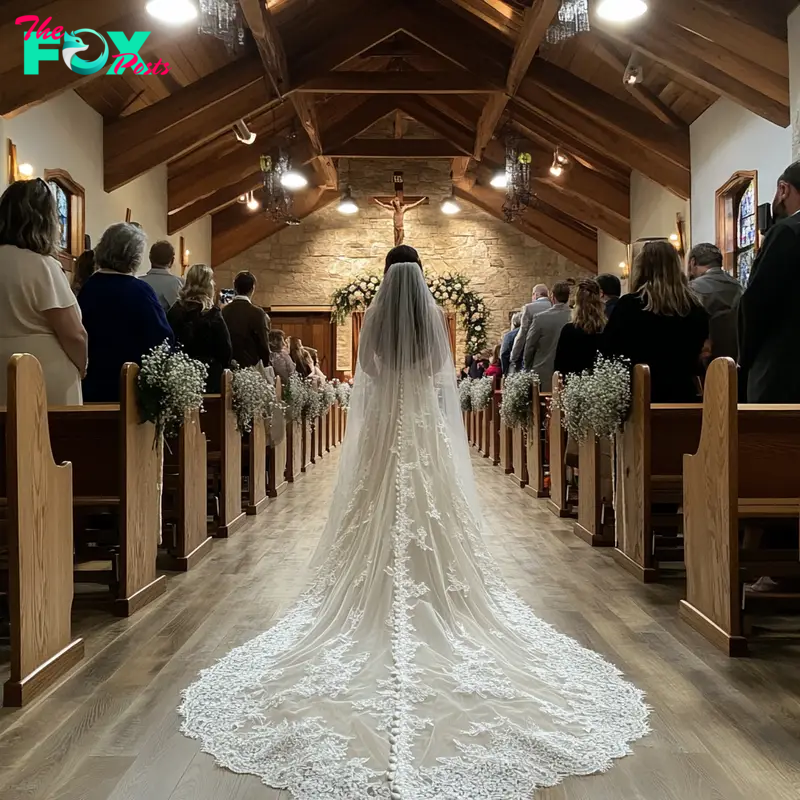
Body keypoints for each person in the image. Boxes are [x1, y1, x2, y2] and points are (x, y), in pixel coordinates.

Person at [179, 258, 649, 796]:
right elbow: (436, 370)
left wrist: (390, 374)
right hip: (421, 418)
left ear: (385, 276)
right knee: (429, 492)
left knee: (375, 489)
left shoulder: (375, 313)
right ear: (422, 278)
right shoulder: (429, 312)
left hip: (386, 419)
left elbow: (371, 370)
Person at [0, 178, 87, 405]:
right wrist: (82, 365)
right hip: (43, 372)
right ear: (46, 221)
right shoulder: (41, 265)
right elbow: (73, 334)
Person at [604, 241, 709, 403]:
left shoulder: (630, 305)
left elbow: (609, 353)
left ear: (642, 269)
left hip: (638, 397)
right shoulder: (695, 309)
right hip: (682, 395)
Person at [79, 223, 174, 402]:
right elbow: (161, 341)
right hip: (129, 390)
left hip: (92, 385)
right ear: (134, 256)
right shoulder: (140, 291)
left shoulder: (89, 288)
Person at [739, 162, 800, 403]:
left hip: (784, 368)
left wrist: (746, 356)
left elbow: (757, 301)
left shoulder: (787, 232)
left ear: (783, 189)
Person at [167, 264, 232, 393]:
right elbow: (226, 350)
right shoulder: (212, 314)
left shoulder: (175, 310)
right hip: (209, 379)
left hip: (179, 378)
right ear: (208, 285)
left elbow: (167, 342)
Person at [687, 242, 743, 365]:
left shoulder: (691, 289)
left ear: (693, 262)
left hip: (706, 363)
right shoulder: (738, 287)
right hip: (736, 361)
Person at [523, 281, 572, 390]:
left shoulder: (540, 318)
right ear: (568, 297)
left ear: (552, 297)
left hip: (543, 371)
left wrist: (527, 367)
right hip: (570, 373)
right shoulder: (574, 317)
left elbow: (530, 346)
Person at [554, 278, 606, 378]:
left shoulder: (569, 330)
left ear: (576, 303)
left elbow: (559, 365)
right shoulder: (605, 329)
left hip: (573, 385)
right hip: (599, 385)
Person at [221, 270, 272, 370]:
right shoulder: (257, 313)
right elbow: (263, 344)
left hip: (227, 367)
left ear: (235, 288)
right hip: (250, 369)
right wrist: (266, 364)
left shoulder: (223, 311)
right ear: (253, 288)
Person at [509, 283, 551, 373]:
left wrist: (514, 356)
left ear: (535, 294)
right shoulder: (553, 306)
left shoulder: (529, 308)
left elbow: (523, 333)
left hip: (534, 353)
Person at [140, 240, 183, 312]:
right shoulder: (174, 283)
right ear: (172, 261)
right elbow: (179, 314)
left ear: (150, 258)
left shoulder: (139, 282)